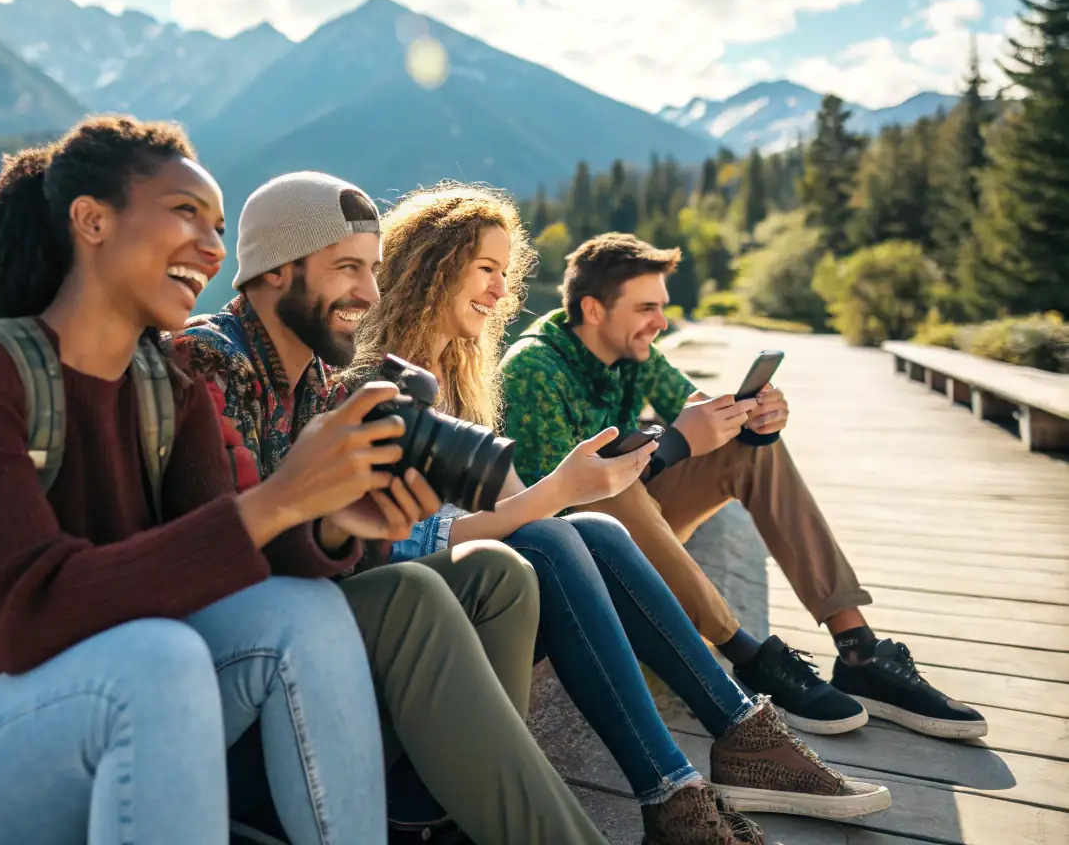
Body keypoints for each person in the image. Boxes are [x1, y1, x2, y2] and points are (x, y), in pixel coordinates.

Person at [0, 119, 407, 845]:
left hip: (82, 711)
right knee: (156, 663)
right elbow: (23, 619)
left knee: (301, 613)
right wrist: (280, 497)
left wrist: (330, 515)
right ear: (92, 220)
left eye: (219, 227)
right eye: (185, 212)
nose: (214, 247)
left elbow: (240, 559)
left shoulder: (168, 386)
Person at [336, 182, 891, 844]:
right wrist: (566, 487)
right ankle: (695, 768)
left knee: (588, 525)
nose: (497, 289)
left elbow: (512, 498)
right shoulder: (374, 381)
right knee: (567, 530)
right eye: (485, 269)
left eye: (503, 274)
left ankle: (717, 755)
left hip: (491, 593)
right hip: (411, 618)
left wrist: (737, 424)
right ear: (432, 267)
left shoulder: (460, 377)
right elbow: (403, 544)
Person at [179, 171, 609, 845]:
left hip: (311, 626)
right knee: (408, 590)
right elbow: (228, 560)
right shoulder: (207, 361)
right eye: (346, 268)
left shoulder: (319, 382)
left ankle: (455, 813)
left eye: (373, 271)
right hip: (236, 673)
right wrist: (337, 529)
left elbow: (337, 549)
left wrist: (374, 528)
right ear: (272, 271)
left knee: (498, 573)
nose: (367, 294)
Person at [499, 230, 988, 742]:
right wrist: (675, 445)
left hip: (640, 527)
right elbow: (551, 506)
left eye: (663, 307)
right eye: (646, 308)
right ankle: (749, 657)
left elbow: (697, 408)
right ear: (594, 310)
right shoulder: (534, 368)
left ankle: (857, 647)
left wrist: (753, 421)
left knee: (753, 450)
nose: (661, 323)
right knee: (609, 495)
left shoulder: (637, 355)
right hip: (571, 556)